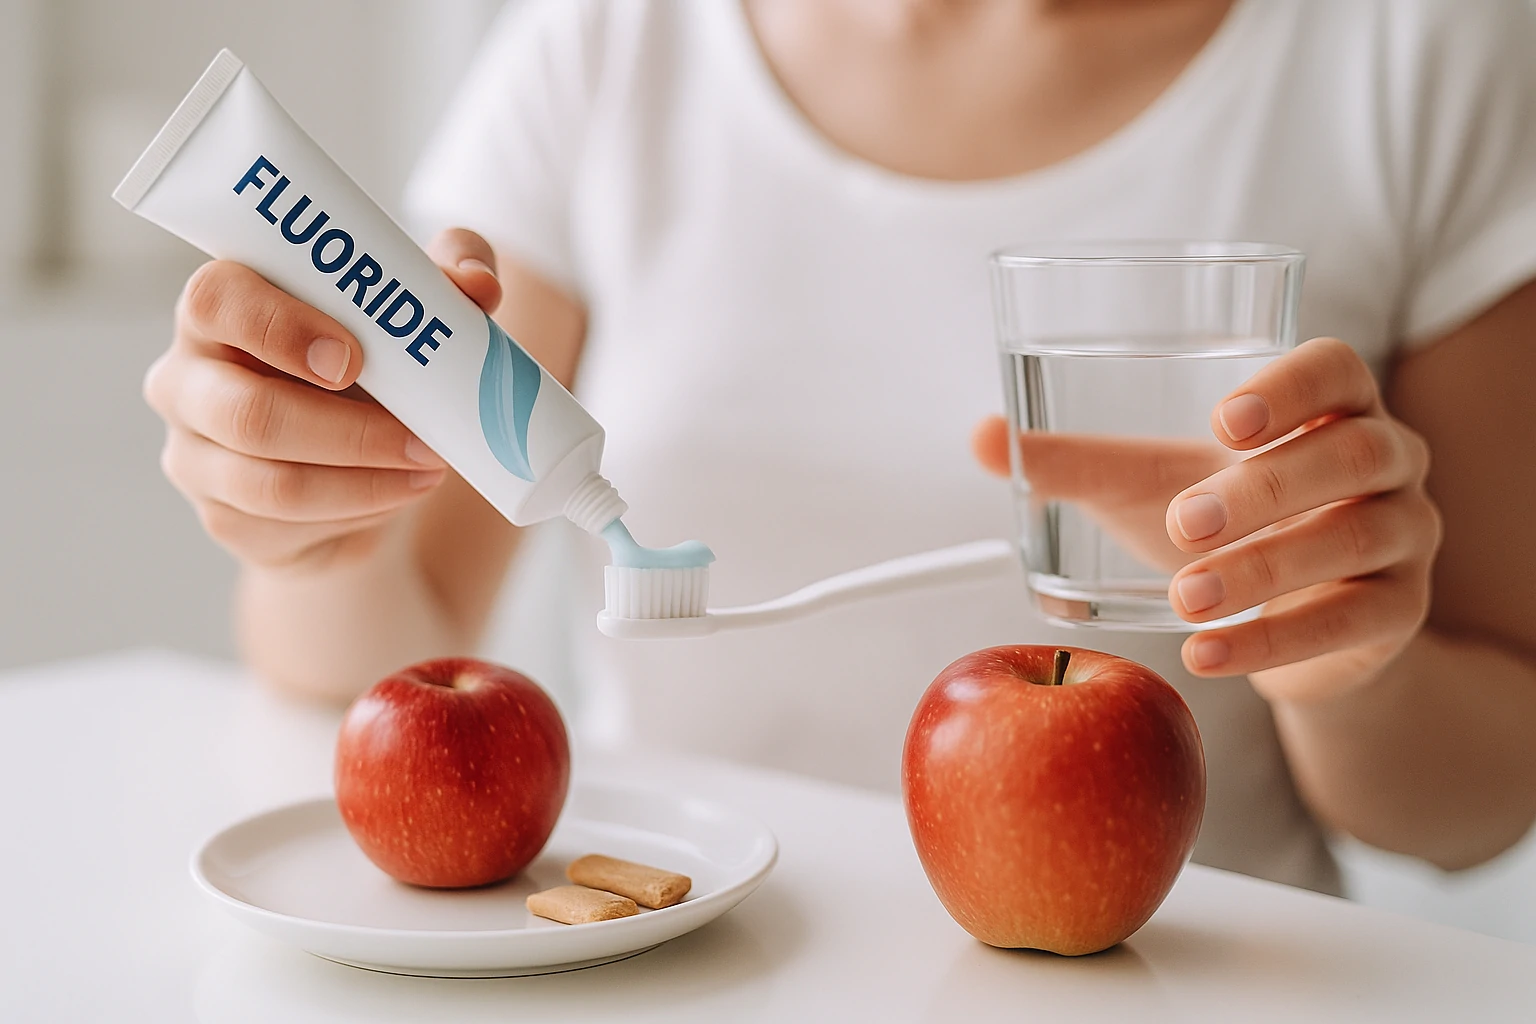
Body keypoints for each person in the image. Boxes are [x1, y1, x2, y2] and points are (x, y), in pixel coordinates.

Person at [141, 0, 1536, 895]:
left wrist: (1349, 667)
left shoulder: (1416, 56)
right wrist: (311, 519)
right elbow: (373, 655)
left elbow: (1480, 804)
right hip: (678, 965)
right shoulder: (606, 44)